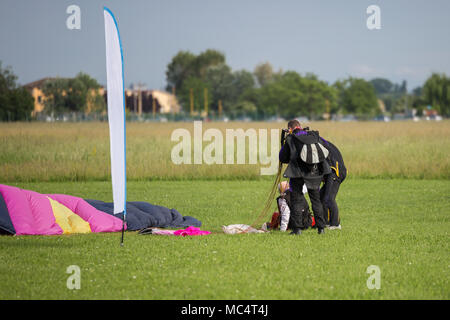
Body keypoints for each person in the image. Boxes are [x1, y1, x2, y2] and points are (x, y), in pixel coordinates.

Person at [279, 119, 331, 235]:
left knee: (296, 199)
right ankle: (321, 228)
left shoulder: (291, 138)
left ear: (290, 129)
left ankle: (297, 229)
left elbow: (283, 157)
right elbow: (326, 148)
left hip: (297, 173)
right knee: (316, 200)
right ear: (300, 127)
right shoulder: (313, 136)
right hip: (315, 172)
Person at [319, 138, 346, 230]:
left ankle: (335, 224)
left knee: (329, 198)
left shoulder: (316, 143)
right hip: (331, 172)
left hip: (336, 172)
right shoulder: (319, 141)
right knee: (321, 196)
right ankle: (326, 222)